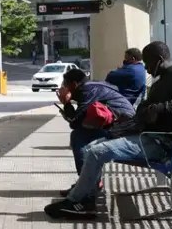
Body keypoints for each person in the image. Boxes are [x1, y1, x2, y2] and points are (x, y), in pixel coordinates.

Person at [45, 41, 172, 217]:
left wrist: (159, 108)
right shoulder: (163, 80)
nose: (146, 69)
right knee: (88, 149)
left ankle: (76, 201)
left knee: (96, 151)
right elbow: (142, 111)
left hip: (158, 143)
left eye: (147, 64)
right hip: (145, 136)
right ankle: (87, 197)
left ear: (159, 60)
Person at [56, 68, 136, 200]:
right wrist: (68, 106)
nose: (64, 88)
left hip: (123, 127)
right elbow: (78, 120)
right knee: (80, 135)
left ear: (74, 84)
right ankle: (87, 182)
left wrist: (67, 103)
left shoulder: (87, 91)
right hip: (119, 124)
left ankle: (88, 185)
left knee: (78, 137)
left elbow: (76, 122)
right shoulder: (91, 88)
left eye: (65, 85)